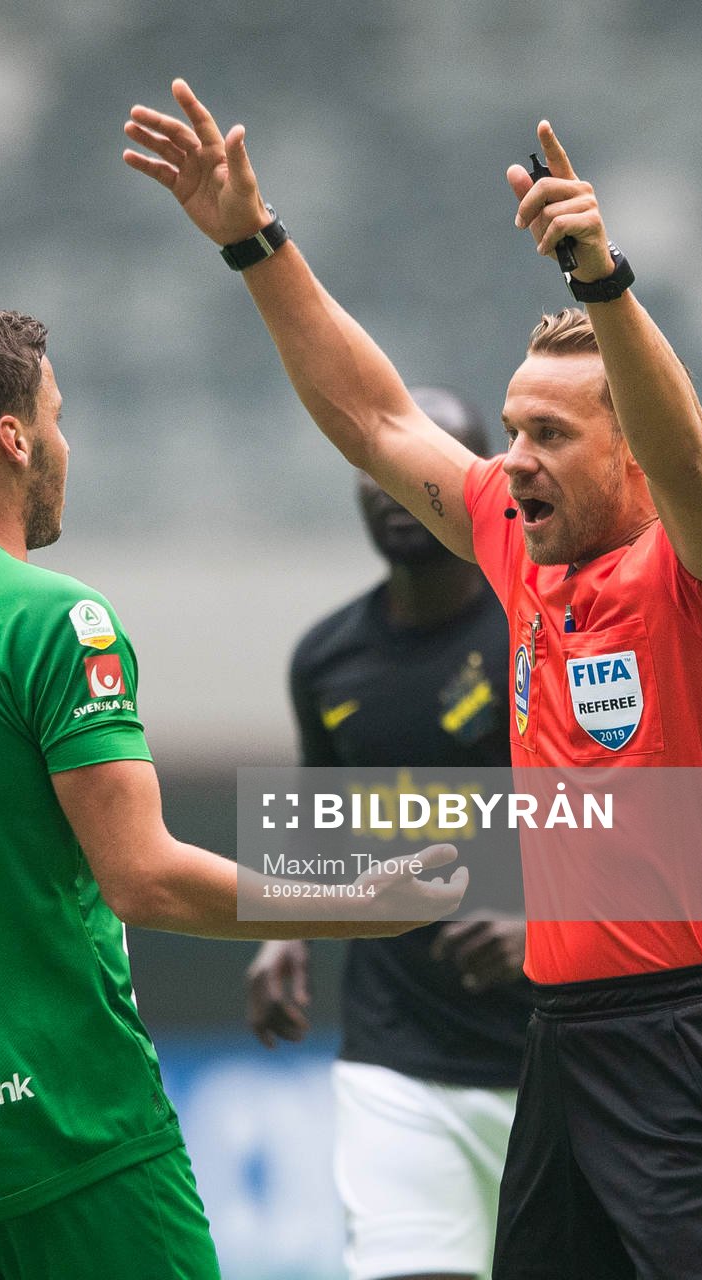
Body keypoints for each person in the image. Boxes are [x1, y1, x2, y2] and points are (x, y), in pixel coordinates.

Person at [125, 85, 702, 1279]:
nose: (512, 460)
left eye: (549, 436)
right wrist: (253, 240)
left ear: (627, 448)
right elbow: (375, 417)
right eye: (509, 429)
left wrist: (602, 278)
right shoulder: (519, 544)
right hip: (561, 1042)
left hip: (695, 1038)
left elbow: (688, 456)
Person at [0, 307, 469, 1280]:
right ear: (12, 438)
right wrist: (360, 897)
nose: (64, 441)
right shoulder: (56, 619)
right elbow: (145, 878)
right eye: (55, 416)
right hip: (76, 1140)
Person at [248, 386, 529, 1280]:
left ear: (483, 484)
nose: (399, 494)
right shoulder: (327, 659)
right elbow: (319, 808)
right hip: (398, 1053)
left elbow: (628, 813)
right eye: (382, 475)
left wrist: (549, 924)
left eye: (428, 473)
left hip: (557, 1051)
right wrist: (285, 926)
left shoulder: (542, 631)